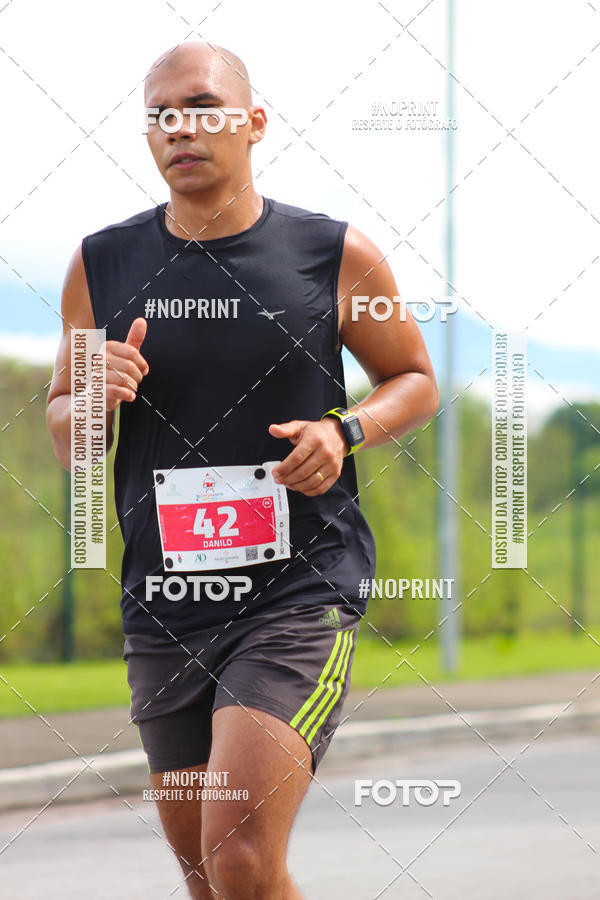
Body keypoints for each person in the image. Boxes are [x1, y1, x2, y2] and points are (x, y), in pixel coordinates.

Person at [47, 41, 438, 900]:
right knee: (209, 879)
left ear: (254, 122)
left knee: (240, 858)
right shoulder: (99, 264)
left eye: (200, 104)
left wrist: (346, 431)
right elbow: (65, 430)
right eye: (160, 115)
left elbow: (415, 380)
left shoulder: (333, 254)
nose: (179, 128)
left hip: (297, 594)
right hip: (167, 604)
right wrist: (91, 397)